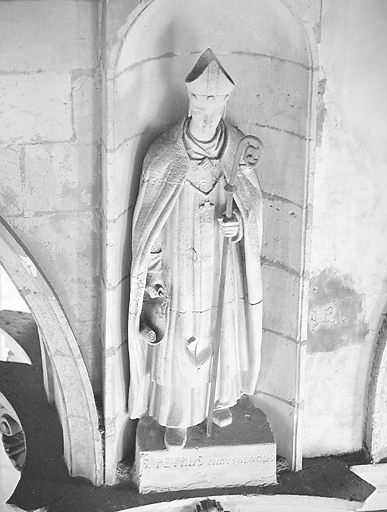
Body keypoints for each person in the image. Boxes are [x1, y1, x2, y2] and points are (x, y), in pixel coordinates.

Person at [128, 48, 263, 449]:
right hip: (179, 266)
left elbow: (254, 205)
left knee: (221, 330)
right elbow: (149, 223)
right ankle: (177, 414)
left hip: (221, 264)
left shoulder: (235, 149)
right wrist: (154, 271)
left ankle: (219, 397)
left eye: (215, 106)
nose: (207, 115)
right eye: (201, 105)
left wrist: (240, 225)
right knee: (180, 338)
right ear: (190, 102)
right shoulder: (164, 153)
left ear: (225, 104)